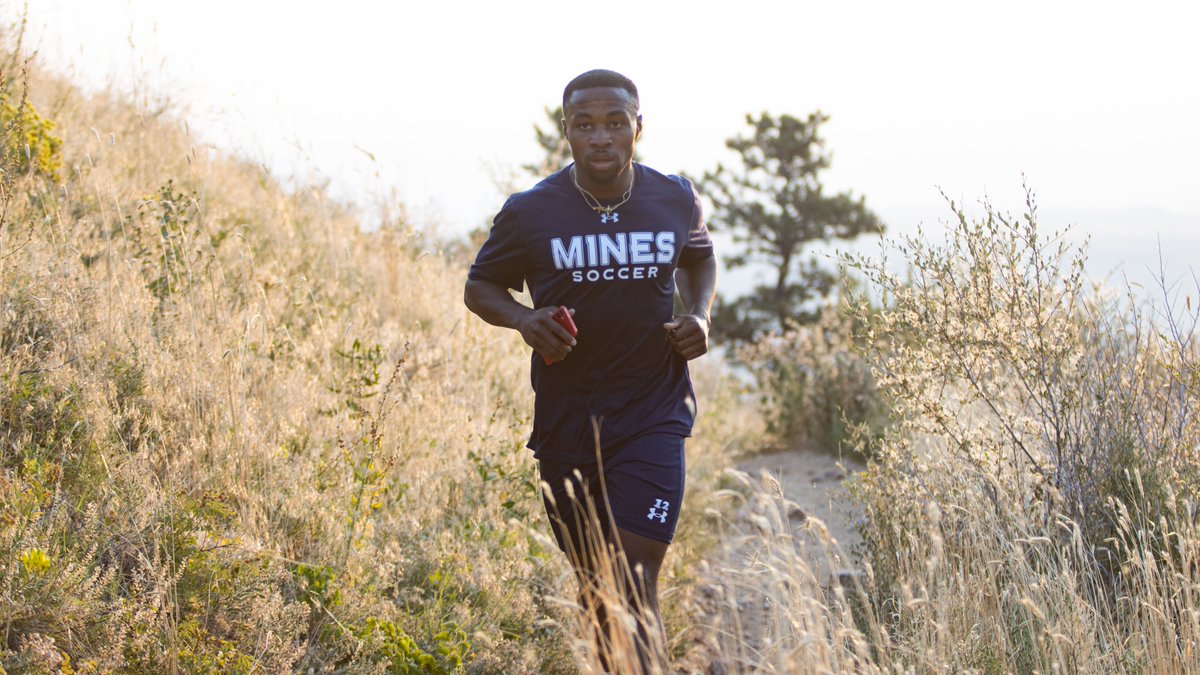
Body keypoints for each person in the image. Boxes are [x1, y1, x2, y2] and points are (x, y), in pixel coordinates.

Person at [463, 68, 716, 671]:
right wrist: (524, 320)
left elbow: (699, 259)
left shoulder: (675, 197)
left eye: (614, 123)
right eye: (585, 125)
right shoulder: (530, 211)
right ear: (567, 132)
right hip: (567, 423)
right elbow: (480, 287)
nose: (600, 136)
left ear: (637, 128)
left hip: (654, 414)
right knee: (596, 589)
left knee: (632, 581)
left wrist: (700, 316)